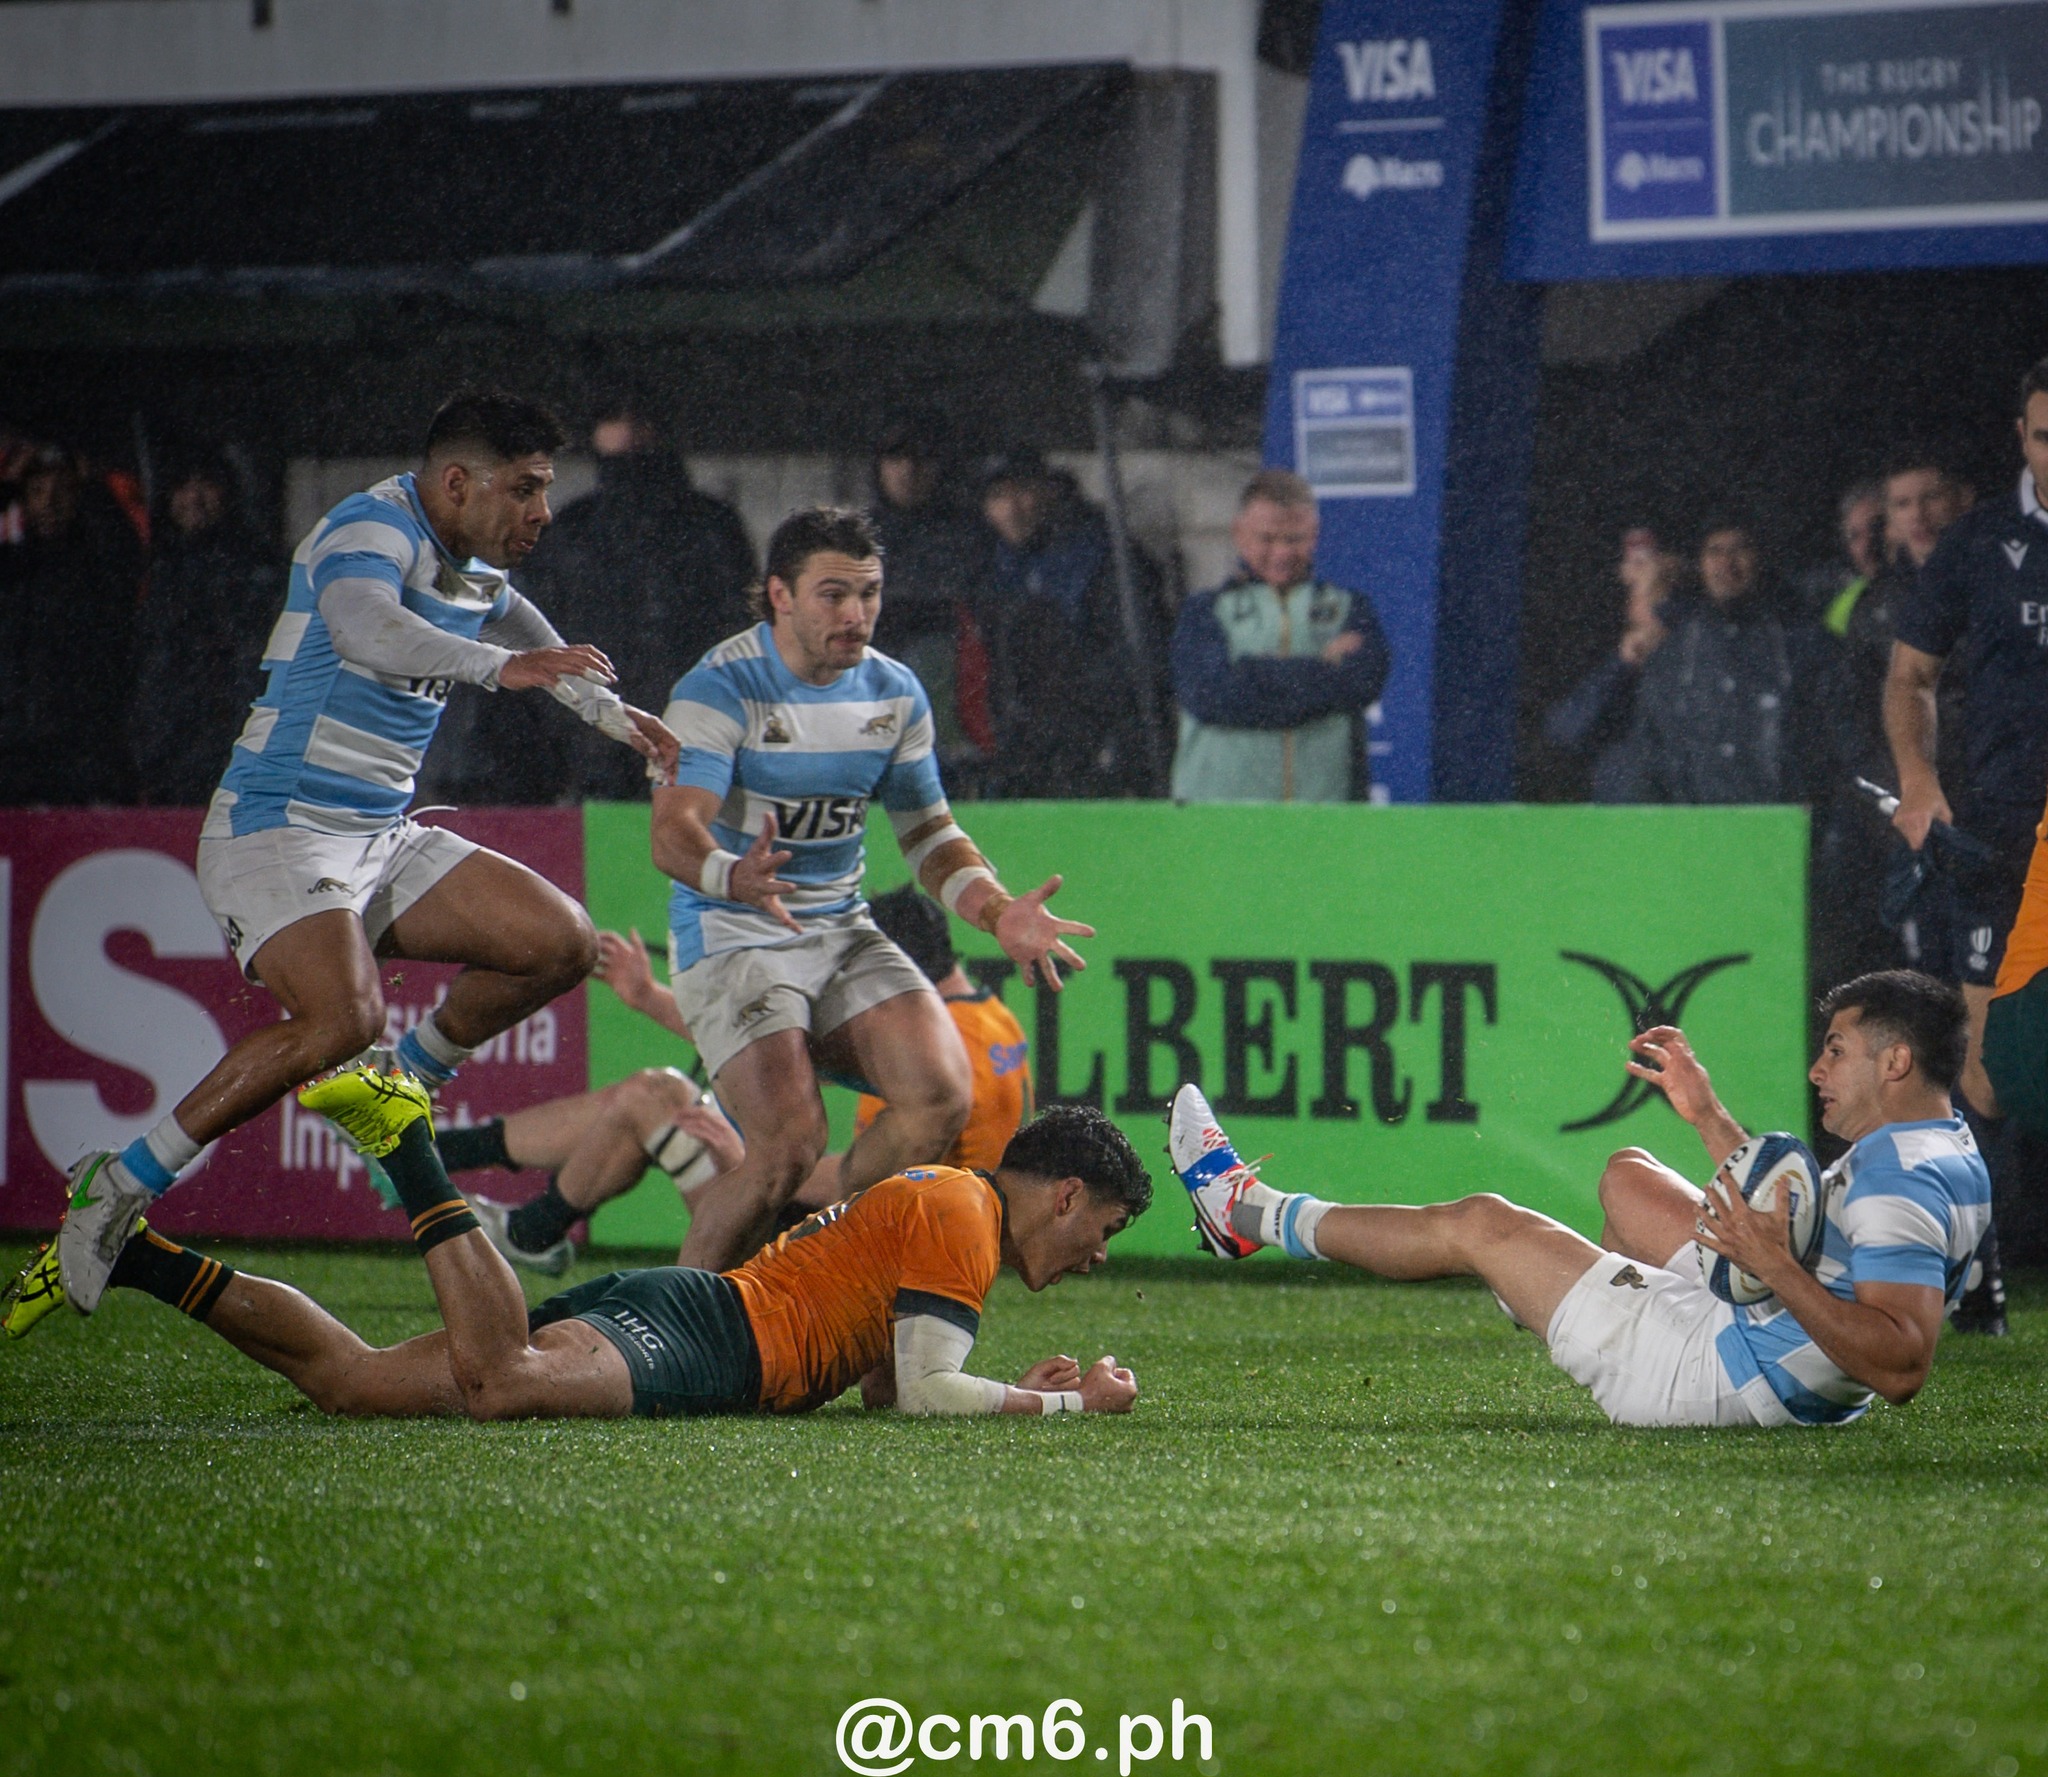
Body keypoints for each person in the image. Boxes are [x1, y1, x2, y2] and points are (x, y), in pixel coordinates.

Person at [47, 392, 681, 1324]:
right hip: (275, 827)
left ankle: (410, 1079)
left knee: (560, 940)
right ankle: (120, 1183)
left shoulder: (473, 566)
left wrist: (626, 724)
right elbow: (364, 630)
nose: (543, 512)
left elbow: (540, 646)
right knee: (344, 1016)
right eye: (528, 488)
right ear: (458, 482)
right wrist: (498, 669)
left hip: (379, 835)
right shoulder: (368, 527)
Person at [6, 1084, 1148, 1427]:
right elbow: (925, 1399)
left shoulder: (950, 1204)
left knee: (352, 1383)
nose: (1094, 1255)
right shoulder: (962, 1213)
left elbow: (890, 1379)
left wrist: (1004, 1386)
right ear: (1061, 1193)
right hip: (709, 1341)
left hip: (693, 1308)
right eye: (1100, 1229)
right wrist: (1067, 1409)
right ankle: (409, 1145)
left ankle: (137, 1252)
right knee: (503, 1385)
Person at [1168, 969, 1989, 1428]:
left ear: (1896, 1061)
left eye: (1837, 1051)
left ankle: (1243, 1212)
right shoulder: (1938, 1146)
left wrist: (1774, 1261)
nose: (1818, 1069)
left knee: (1480, 1222)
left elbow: (1902, 1365)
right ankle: (1542, 1291)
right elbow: (1818, 1237)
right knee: (1629, 1177)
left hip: (1712, 1375)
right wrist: (1707, 1116)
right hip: (1768, 1342)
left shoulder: (1898, 1179)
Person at [653, 505, 1092, 1271]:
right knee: (787, 1149)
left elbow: (927, 834)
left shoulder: (894, 692)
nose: (856, 614)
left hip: (839, 928)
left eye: (870, 593)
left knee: (939, 1094)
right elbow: (673, 832)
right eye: (833, 594)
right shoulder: (718, 688)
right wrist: (734, 875)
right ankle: (674, 1332)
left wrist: (996, 911)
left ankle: (823, 1267)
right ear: (780, 594)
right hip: (732, 932)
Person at [445, 883, 1033, 1273]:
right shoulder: (987, 1021)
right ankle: (514, 1213)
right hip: (911, 1225)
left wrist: (752, 1155)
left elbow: (865, 1182)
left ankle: (454, 1170)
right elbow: (782, 1056)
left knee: (658, 1098)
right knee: (661, 1096)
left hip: (868, 1236)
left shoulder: (935, 1055)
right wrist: (652, 998)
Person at [1884, 363, 2048, 1327]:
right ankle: (1980, 1275)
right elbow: (1911, 675)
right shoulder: (1979, 543)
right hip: (2001, 835)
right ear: (2021, 437)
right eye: (2042, 436)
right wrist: (1919, 782)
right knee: (1981, 1068)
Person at [506, 398, 756, 802]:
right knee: (618, 851)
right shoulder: (571, 532)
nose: (625, 433)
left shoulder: (710, 525)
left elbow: (738, 629)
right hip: (601, 740)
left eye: (635, 419)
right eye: (612, 418)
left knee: (693, 843)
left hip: (690, 731)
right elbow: (539, 640)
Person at [1169, 469, 1389, 803]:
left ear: (1314, 535)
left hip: (1324, 817)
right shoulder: (1205, 611)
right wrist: (1322, 671)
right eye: (1268, 539)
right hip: (1217, 818)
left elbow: (1361, 682)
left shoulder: (1349, 608)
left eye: (1295, 539)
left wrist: (1251, 675)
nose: (1282, 553)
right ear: (1240, 534)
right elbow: (1210, 695)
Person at [975, 447, 1172, 799]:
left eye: (1022, 491)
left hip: (1098, 750)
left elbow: (1141, 661)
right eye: (998, 496)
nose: (1011, 509)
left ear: (1047, 491)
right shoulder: (992, 565)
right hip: (1025, 752)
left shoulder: (1102, 557)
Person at [1623, 519, 1832, 806]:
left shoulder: (1800, 642)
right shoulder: (1674, 651)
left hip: (1778, 828)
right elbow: (1650, 749)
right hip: (1694, 829)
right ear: (1700, 563)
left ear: (1759, 558)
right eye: (1714, 552)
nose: (1726, 563)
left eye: (1739, 550)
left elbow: (1830, 742)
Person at [0, 444, 147, 804]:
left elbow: (127, 551)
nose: (49, 503)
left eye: (62, 491)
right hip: (13, 747)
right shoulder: (12, 568)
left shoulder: (99, 571)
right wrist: (6, 486)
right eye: (37, 492)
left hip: (82, 748)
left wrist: (94, 485)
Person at [129, 453, 278, 806]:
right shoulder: (150, 569)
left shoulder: (259, 570)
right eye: (183, 486)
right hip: (164, 760)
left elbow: (256, 665)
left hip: (234, 754)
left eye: (206, 485)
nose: (194, 498)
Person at [865, 409, 995, 778]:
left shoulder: (971, 536)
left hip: (952, 701)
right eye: (895, 457)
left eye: (921, 458)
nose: (907, 470)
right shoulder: (856, 538)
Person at [1541, 525, 1677, 804]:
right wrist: (1622, 666)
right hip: (1620, 818)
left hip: (1687, 819)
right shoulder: (1609, 654)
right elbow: (1564, 730)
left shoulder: (1701, 654)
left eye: (1660, 589)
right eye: (1641, 590)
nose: (1652, 605)